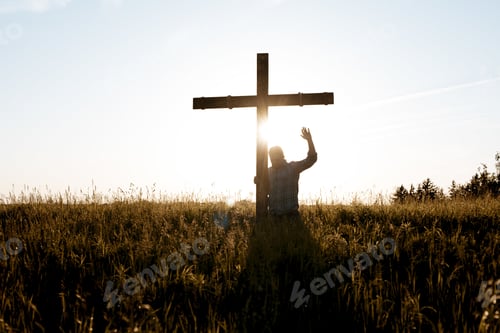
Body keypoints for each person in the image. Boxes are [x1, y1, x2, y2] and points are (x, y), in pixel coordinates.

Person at [267, 127, 317, 218]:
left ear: (282, 156)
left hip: (291, 217)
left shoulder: (292, 168)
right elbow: (264, 192)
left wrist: (309, 140)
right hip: (274, 218)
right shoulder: (268, 172)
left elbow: (311, 159)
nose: (273, 160)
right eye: (271, 158)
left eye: (276, 158)